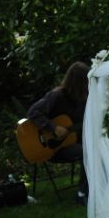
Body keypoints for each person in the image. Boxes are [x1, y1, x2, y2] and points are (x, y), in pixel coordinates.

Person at [26, 61, 89, 202]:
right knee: (88, 152)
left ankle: (96, 188)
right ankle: (82, 194)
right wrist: (53, 127)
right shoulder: (57, 96)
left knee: (96, 147)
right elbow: (33, 112)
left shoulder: (84, 98)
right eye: (85, 82)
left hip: (72, 143)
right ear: (77, 82)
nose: (87, 85)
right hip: (52, 148)